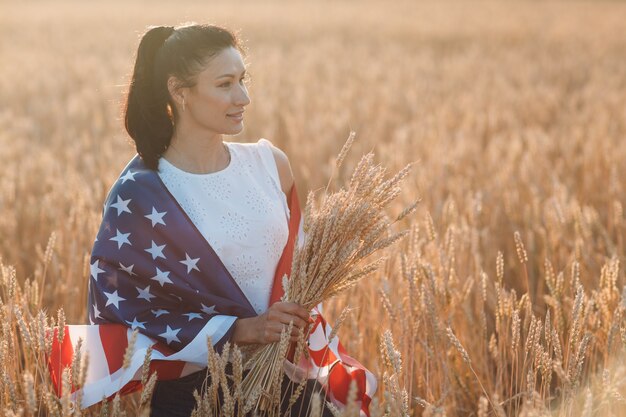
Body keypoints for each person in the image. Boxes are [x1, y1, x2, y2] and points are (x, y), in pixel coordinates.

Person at [88, 22, 339, 416]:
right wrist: (242, 330)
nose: (244, 97)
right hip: (196, 395)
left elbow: (301, 269)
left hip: (285, 382)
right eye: (224, 84)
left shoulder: (271, 165)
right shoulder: (141, 192)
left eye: (243, 79)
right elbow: (126, 313)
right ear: (179, 90)